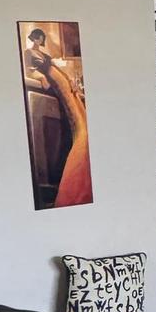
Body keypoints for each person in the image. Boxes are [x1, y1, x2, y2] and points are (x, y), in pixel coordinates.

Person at [22, 26, 93, 207]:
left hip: (62, 81)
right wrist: (42, 76)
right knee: (81, 127)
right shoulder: (28, 52)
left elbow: (54, 66)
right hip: (54, 82)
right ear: (34, 38)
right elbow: (30, 70)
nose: (40, 40)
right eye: (39, 38)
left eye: (41, 38)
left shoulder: (43, 53)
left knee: (81, 117)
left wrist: (70, 80)